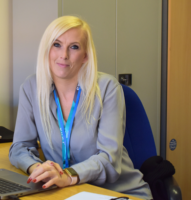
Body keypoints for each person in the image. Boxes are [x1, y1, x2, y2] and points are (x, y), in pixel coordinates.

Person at [9, 16, 152, 199]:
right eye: (57, 45)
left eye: (74, 47)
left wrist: (68, 176)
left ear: (85, 55)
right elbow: (19, 147)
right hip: (68, 192)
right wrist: (38, 169)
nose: (64, 55)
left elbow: (108, 158)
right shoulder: (31, 88)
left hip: (117, 192)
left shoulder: (108, 88)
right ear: (47, 49)